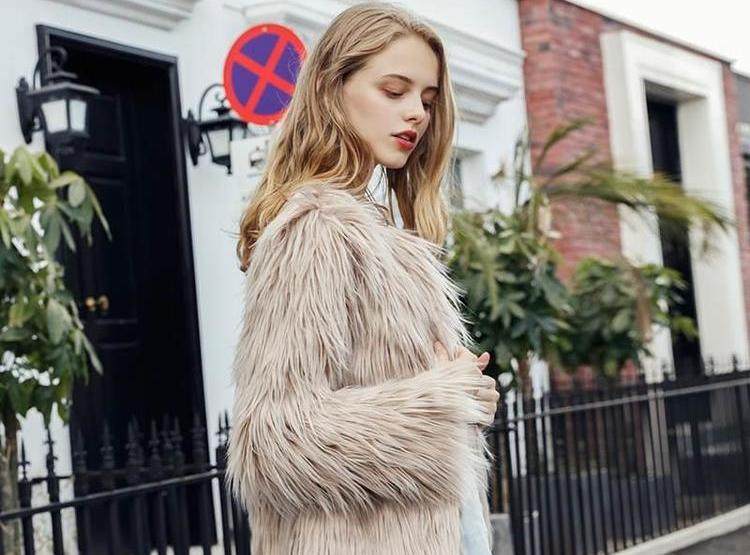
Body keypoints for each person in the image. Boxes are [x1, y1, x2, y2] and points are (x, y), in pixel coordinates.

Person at [226, 2, 500, 554]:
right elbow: (272, 440)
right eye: (394, 91)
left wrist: (465, 396)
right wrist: (439, 401)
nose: (416, 113)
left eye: (427, 100)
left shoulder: (373, 231)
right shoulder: (316, 229)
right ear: (333, 90)